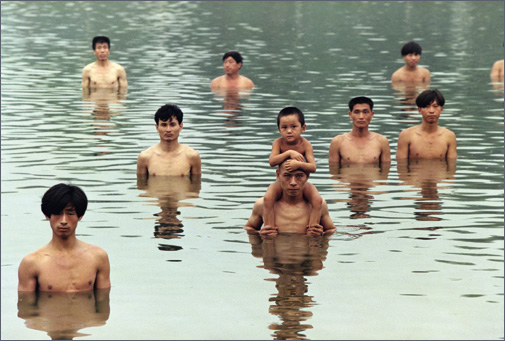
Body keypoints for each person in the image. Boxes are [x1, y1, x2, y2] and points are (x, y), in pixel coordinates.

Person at [18, 184, 111, 292]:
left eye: (70, 213)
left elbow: (103, 302)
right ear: (47, 216)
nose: (63, 221)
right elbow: (26, 306)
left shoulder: (98, 257)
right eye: (57, 213)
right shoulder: (32, 263)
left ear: (80, 216)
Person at [263, 107, 323, 232]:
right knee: (268, 198)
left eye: (294, 127)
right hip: (282, 183)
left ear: (303, 128)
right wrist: (288, 153)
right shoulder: (278, 143)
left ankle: (312, 227)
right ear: (279, 129)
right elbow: (272, 162)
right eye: (284, 127)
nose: (289, 131)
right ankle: (270, 227)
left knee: (317, 200)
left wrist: (298, 165)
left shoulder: (306, 144)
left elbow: (313, 167)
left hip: (301, 183)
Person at [244, 159, 335, 236]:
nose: (293, 182)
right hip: (276, 255)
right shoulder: (261, 205)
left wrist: (322, 235)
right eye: (287, 176)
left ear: (307, 176)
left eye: (299, 176)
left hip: (306, 255)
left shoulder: (319, 205)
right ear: (278, 175)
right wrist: (259, 234)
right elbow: (249, 228)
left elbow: (331, 230)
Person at [136, 104, 201, 177]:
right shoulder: (145, 157)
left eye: (172, 125)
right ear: (157, 127)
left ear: (180, 126)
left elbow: (196, 186)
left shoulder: (192, 156)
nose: (168, 130)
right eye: (164, 125)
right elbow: (141, 186)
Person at [396, 89, 457, 160]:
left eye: (435, 106)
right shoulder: (406, 135)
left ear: (441, 109)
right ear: (419, 110)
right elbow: (401, 167)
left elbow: (451, 167)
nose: (431, 111)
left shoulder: (449, 136)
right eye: (427, 107)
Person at [329, 96, 391, 164]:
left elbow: (385, 171)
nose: (361, 117)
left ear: (372, 115)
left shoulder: (381, 141)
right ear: (350, 115)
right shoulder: (338, 142)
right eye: (356, 112)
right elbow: (333, 171)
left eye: (365, 112)